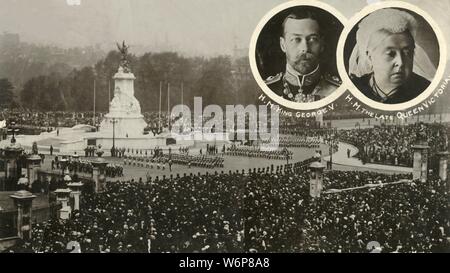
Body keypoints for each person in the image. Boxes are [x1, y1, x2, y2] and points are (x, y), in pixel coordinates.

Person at [349, 8, 434, 104]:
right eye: (391, 54)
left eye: (407, 53)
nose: (401, 62)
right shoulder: (355, 88)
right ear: (370, 57)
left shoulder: (425, 90)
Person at [265, 8, 341, 102]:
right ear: (283, 45)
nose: (305, 48)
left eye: (312, 39)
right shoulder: (267, 89)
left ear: (322, 44)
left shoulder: (337, 90)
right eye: (296, 39)